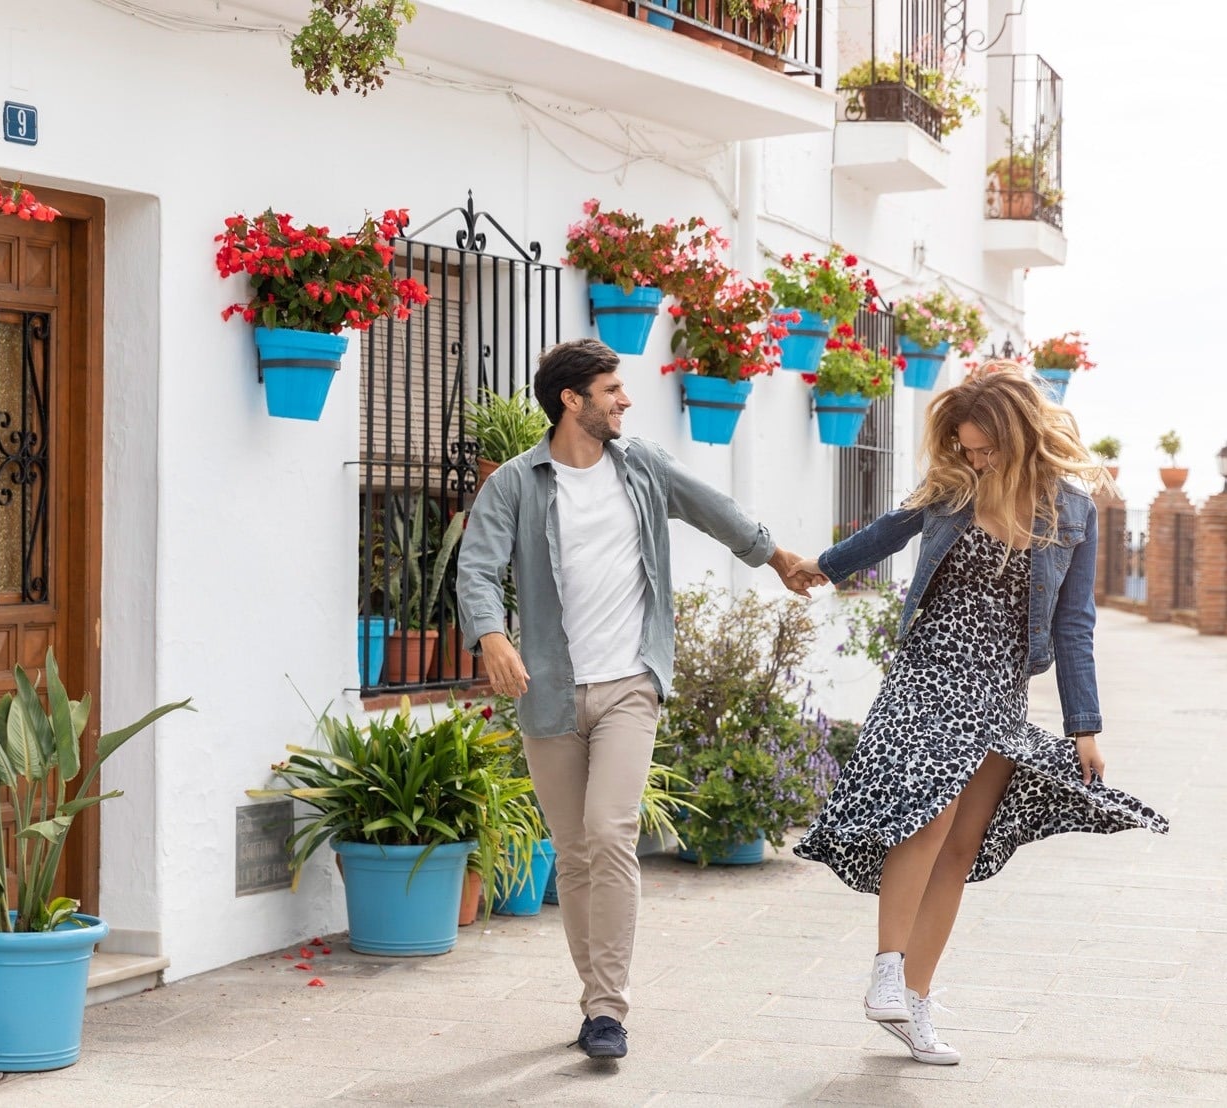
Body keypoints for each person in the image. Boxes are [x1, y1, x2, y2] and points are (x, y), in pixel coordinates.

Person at [456, 338, 822, 1060]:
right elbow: (477, 566)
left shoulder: (642, 465)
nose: (624, 399)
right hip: (550, 692)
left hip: (630, 681)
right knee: (572, 853)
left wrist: (776, 556)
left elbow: (714, 509)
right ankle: (593, 1002)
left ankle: (607, 1011)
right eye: (611, 388)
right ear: (571, 400)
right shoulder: (515, 485)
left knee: (609, 831)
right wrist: (492, 637)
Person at [792, 366, 1169, 1066]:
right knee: (927, 818)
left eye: (984, 448)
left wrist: (1084, 725)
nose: (973, 458)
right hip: (929, 671)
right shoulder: (950, 492)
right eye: (964, 447)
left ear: (1019, 438)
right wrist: (819, 566)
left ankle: (916, 1000)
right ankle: (885, 968)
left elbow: (1073, 624)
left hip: (998, 689)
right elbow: (882, 534)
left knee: (961, 846)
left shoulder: (1070, 511)